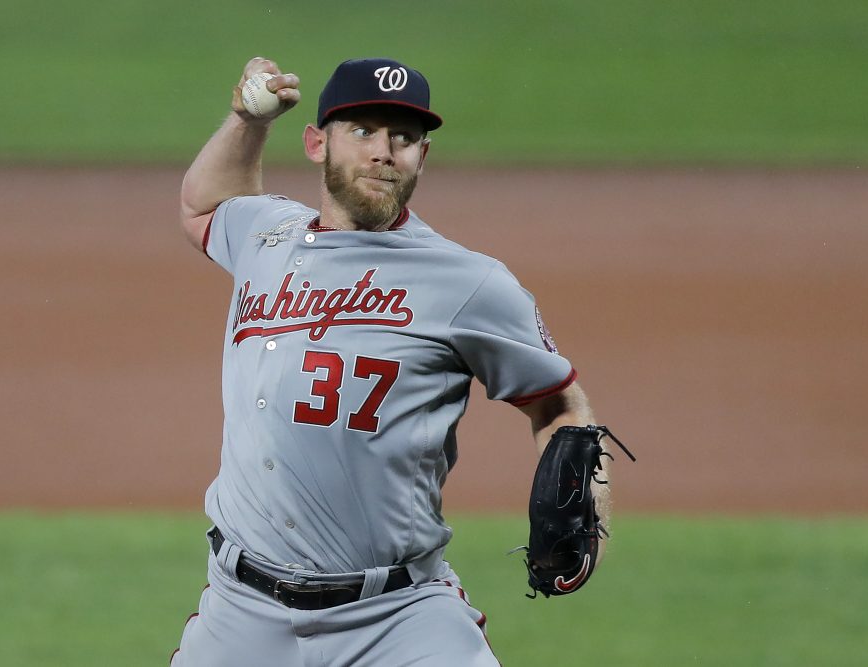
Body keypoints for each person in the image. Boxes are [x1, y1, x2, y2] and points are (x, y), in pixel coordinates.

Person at [170, 56, 602, 667]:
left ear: (422, 156)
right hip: (243, 613)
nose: (384, 151)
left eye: (404, 137)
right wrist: (246, 121)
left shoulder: (469, 282)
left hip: (397, 617)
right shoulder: (266, 233)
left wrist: (587, 506)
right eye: (363, 131)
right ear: (318, 144)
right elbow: (201, 206)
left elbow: (559, 403)